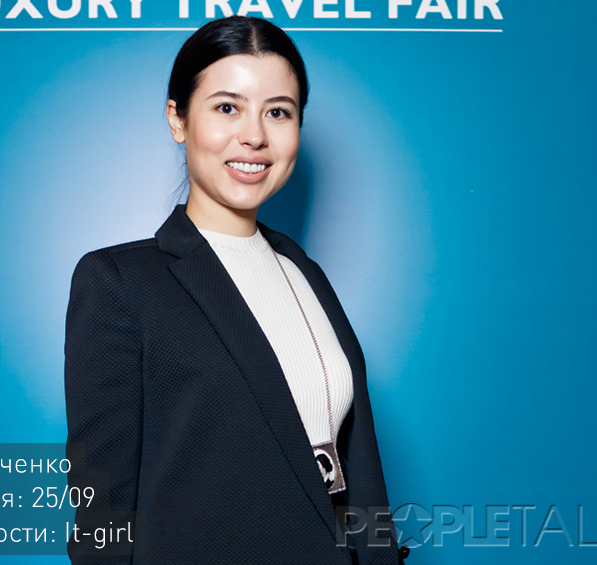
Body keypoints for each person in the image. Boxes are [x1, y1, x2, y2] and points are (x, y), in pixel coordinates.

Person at [65, 15, 407, 565]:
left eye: (278, 112)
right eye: (228, 107)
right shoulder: (120, 282)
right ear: (178, 119)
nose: (254, 135)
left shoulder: (304, 272)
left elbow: (354, 470)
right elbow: (101, 507)